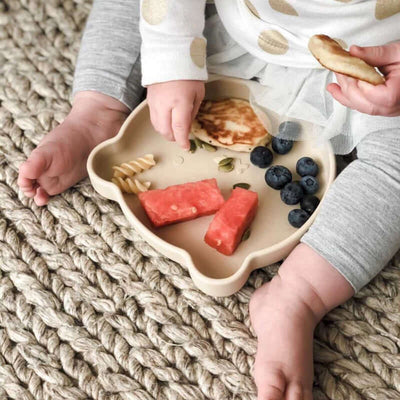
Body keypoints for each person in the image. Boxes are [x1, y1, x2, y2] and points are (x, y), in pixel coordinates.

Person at [18, 1, 400, 399]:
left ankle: (298, 295)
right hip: (232, 24)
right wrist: (170, 54)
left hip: (374, 60)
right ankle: (98, 114)